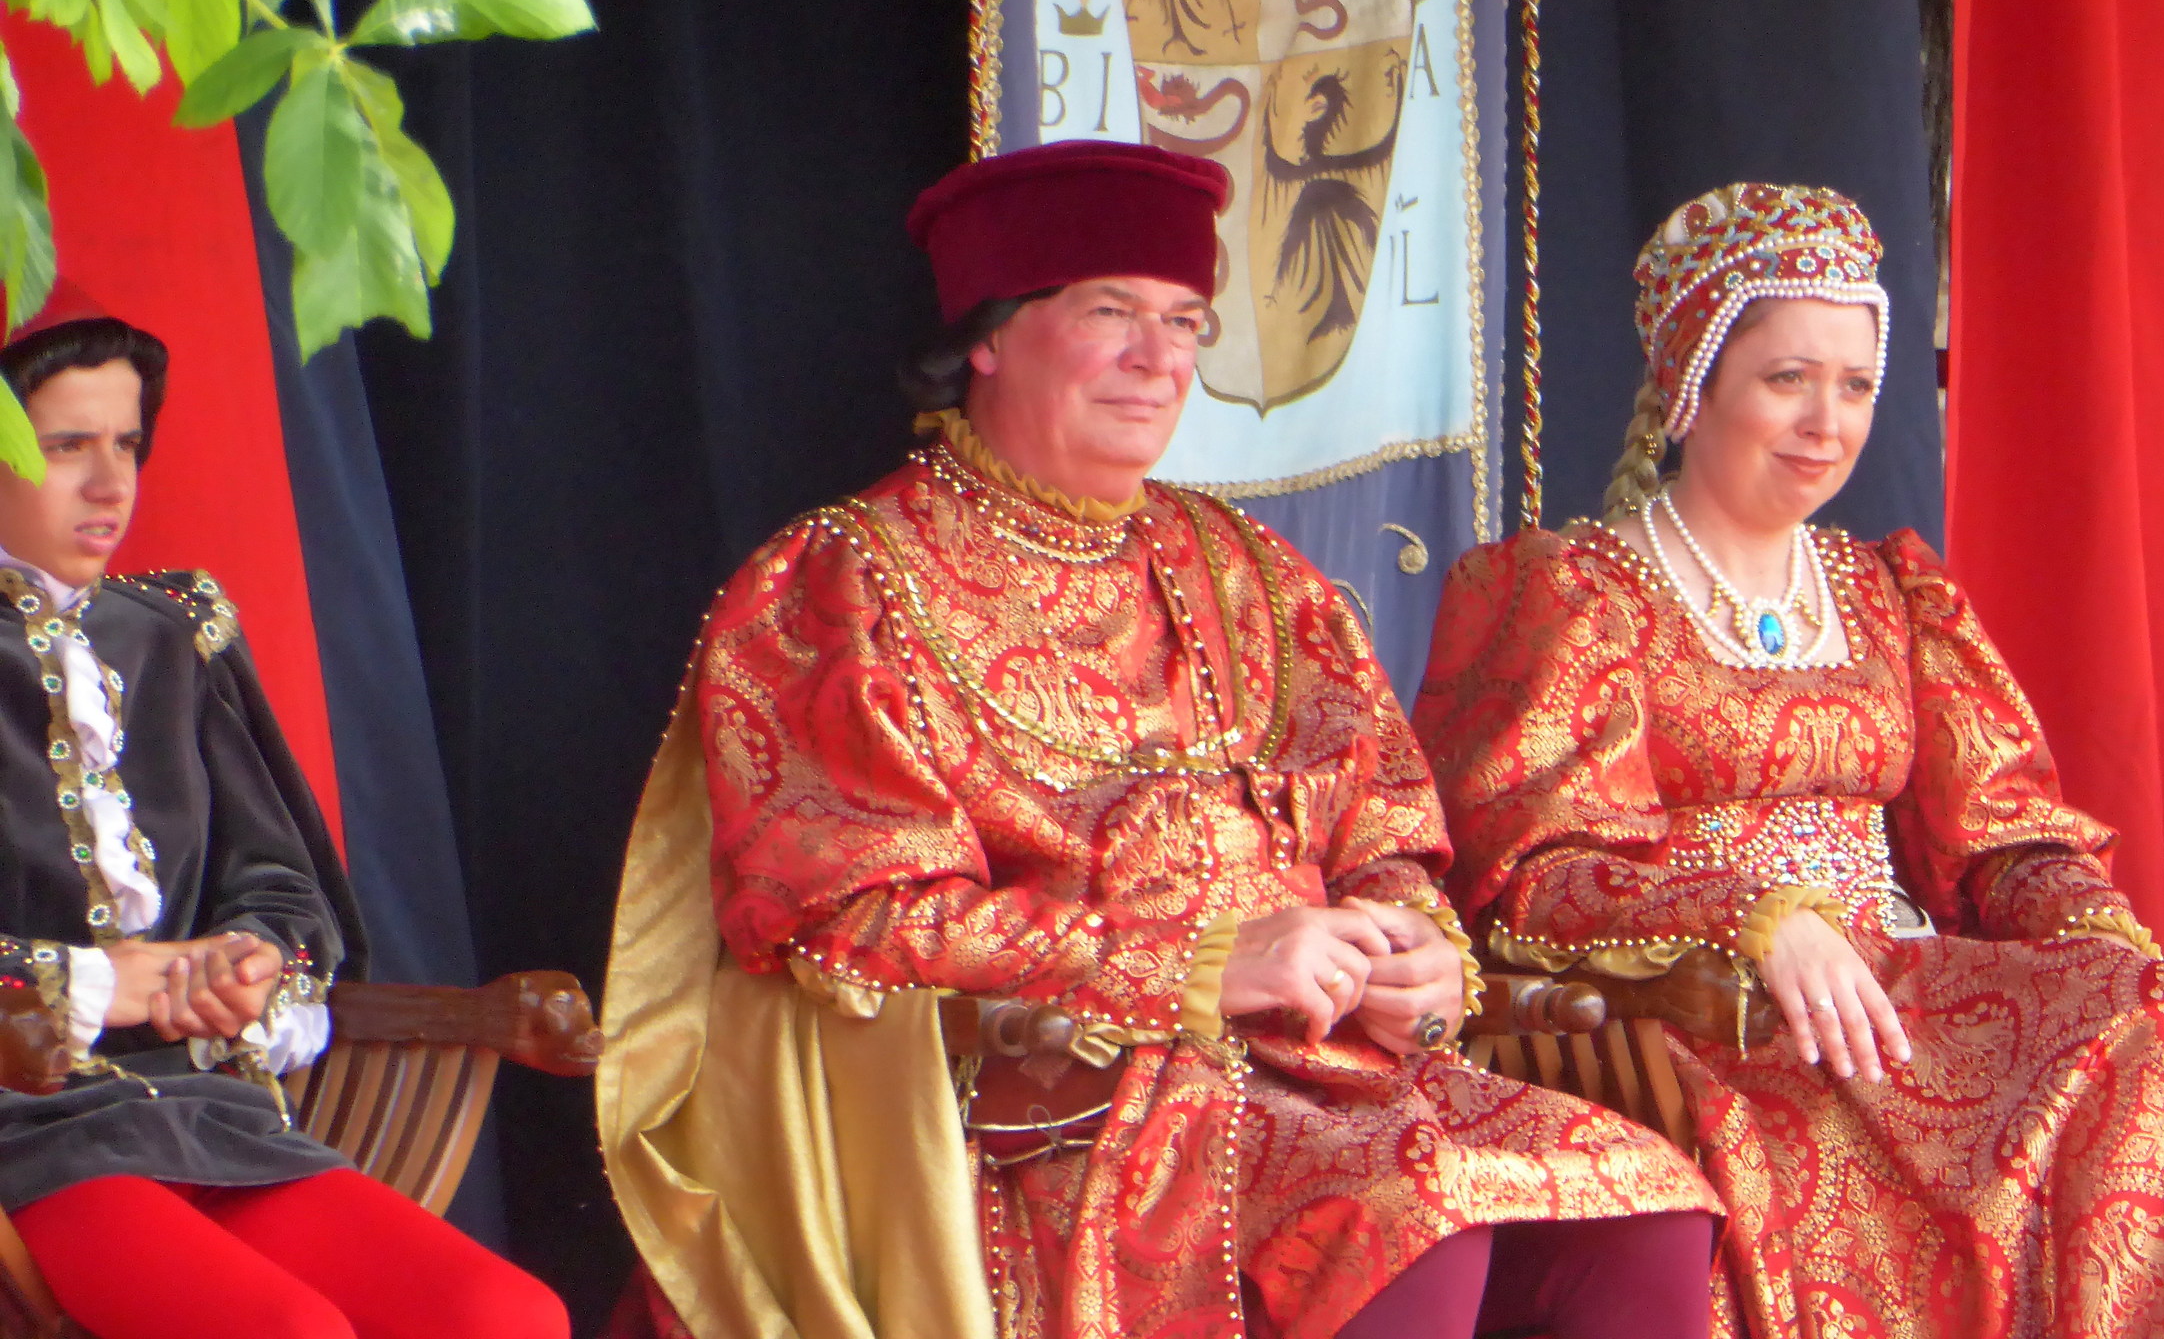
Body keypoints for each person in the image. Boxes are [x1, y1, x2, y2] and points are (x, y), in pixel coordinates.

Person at [601, 142, 1718, 1339]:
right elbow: (846, 920)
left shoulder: (1253, 571)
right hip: (1062, 1097)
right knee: (1406, 1213)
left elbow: (1381, 823)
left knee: (1643, 1198)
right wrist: (1203, 965)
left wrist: (1418, 954)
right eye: (1111, 314)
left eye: (1186, 322)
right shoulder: (843, 581)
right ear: (988, 334)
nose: (1158, 360)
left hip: (1338, 1070)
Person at [1413, 184, 2164, 1339]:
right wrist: (1755, 918)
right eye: (1788, 379)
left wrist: (2099, 937)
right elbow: (1526, 873)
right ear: (1692, 384)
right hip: (1707, 1016)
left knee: (2161, 1019)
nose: (1826, 422)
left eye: (1856, 385)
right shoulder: (1572, 590)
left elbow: (2003, 835)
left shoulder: (1889, 590)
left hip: (1900, 989)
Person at [0, 282, 566, 1339]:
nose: (110, 481)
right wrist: (89, 983)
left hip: (214, 1113)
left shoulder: (171, 632)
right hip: (31, 1141)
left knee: (507, 1315)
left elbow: (279, 877)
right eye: (68, 442)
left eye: (127, 442)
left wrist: (248, 959)